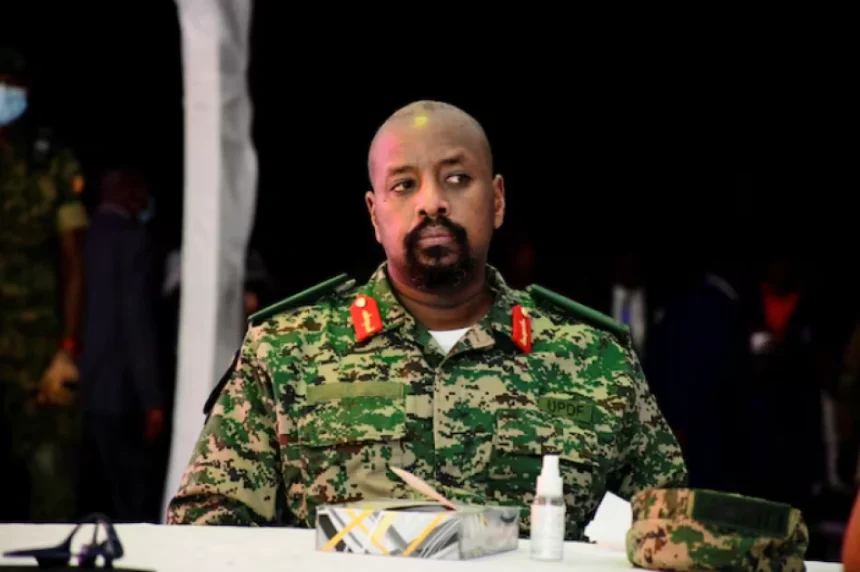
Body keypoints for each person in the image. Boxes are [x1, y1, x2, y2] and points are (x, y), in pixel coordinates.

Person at [166, 100, 688, 540]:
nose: (432, 202)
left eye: (457, 179)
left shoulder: (595, 359)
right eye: (404, 185)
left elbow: (670, 532)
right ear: (374, 214)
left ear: (497, 200)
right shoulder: (285, 350)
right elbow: (206, 530)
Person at [0, 47, 88, 521]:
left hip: (36, 351)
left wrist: (66, 349)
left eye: (12, 84)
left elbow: (74, 260)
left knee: (49, 481)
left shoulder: (49, 160)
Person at [76, 166, 164, 522]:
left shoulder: (84, 235)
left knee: (89, 492)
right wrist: (152, 398)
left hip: (81, 382)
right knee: (132, 498)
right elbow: (135, 321)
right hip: (121, 389)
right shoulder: (132, 240)